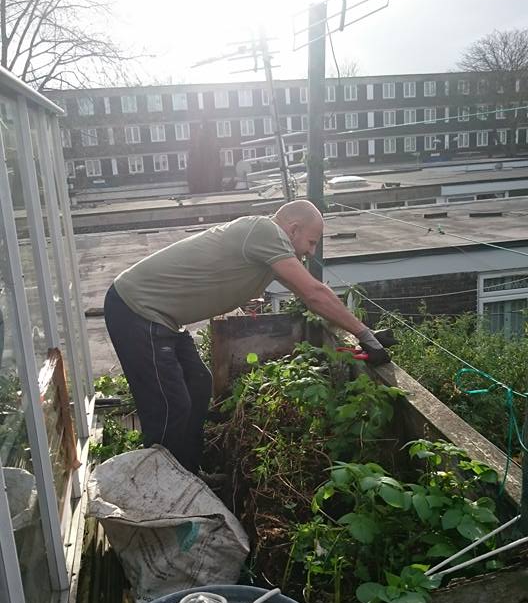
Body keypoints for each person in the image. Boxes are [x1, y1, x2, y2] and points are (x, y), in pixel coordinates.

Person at [104, 201, 391, 473]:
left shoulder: (266, 245)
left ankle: (188, 475)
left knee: (198, 384)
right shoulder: (266, 232)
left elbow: (306, 293)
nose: (311, 252)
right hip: (136, 310)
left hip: (160, 318)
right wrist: (365, 335)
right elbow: (314, 293)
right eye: (311, 242)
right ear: (292, 229)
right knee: (171, 407)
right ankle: (158, 496)